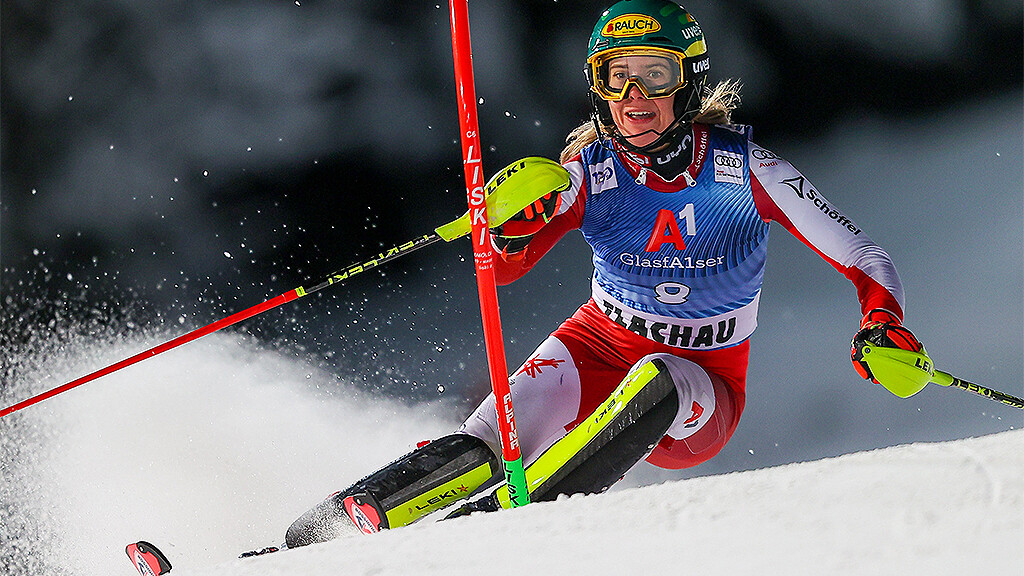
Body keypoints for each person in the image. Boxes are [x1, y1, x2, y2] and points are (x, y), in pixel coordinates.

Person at [281, 0, 923, 547]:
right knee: (485, 443)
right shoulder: (588, 170)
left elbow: (866, 258)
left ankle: (498, 530)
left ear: (690, 82)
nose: (634, 98)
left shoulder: (749, 171)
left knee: (658, 378)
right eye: (616, 79)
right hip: (596, 341)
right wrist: (508, 228)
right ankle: (317, 536)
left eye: (654, 75)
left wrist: (883, 323)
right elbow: (502, 271)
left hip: (703, 382)